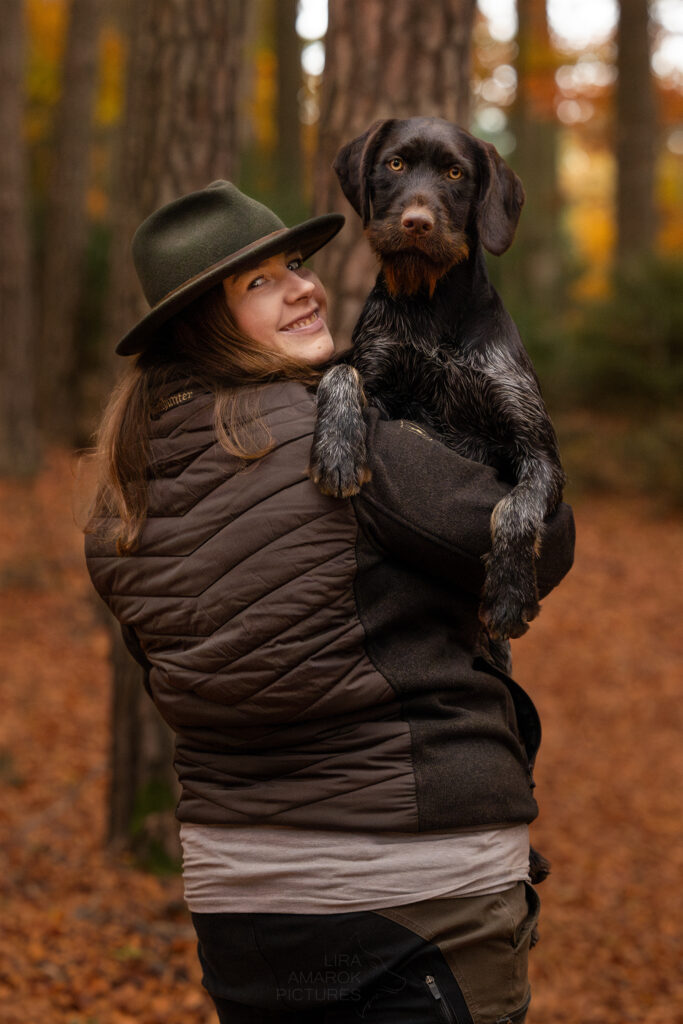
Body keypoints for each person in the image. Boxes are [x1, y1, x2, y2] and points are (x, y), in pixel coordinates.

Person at [85, 180, 575, 1024]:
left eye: (298, 264)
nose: (306, 287)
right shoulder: (344, 444)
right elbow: (540, 546)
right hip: (418, 888)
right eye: (259, 283)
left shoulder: (119, 502)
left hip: (238, 897)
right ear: (201, 322)